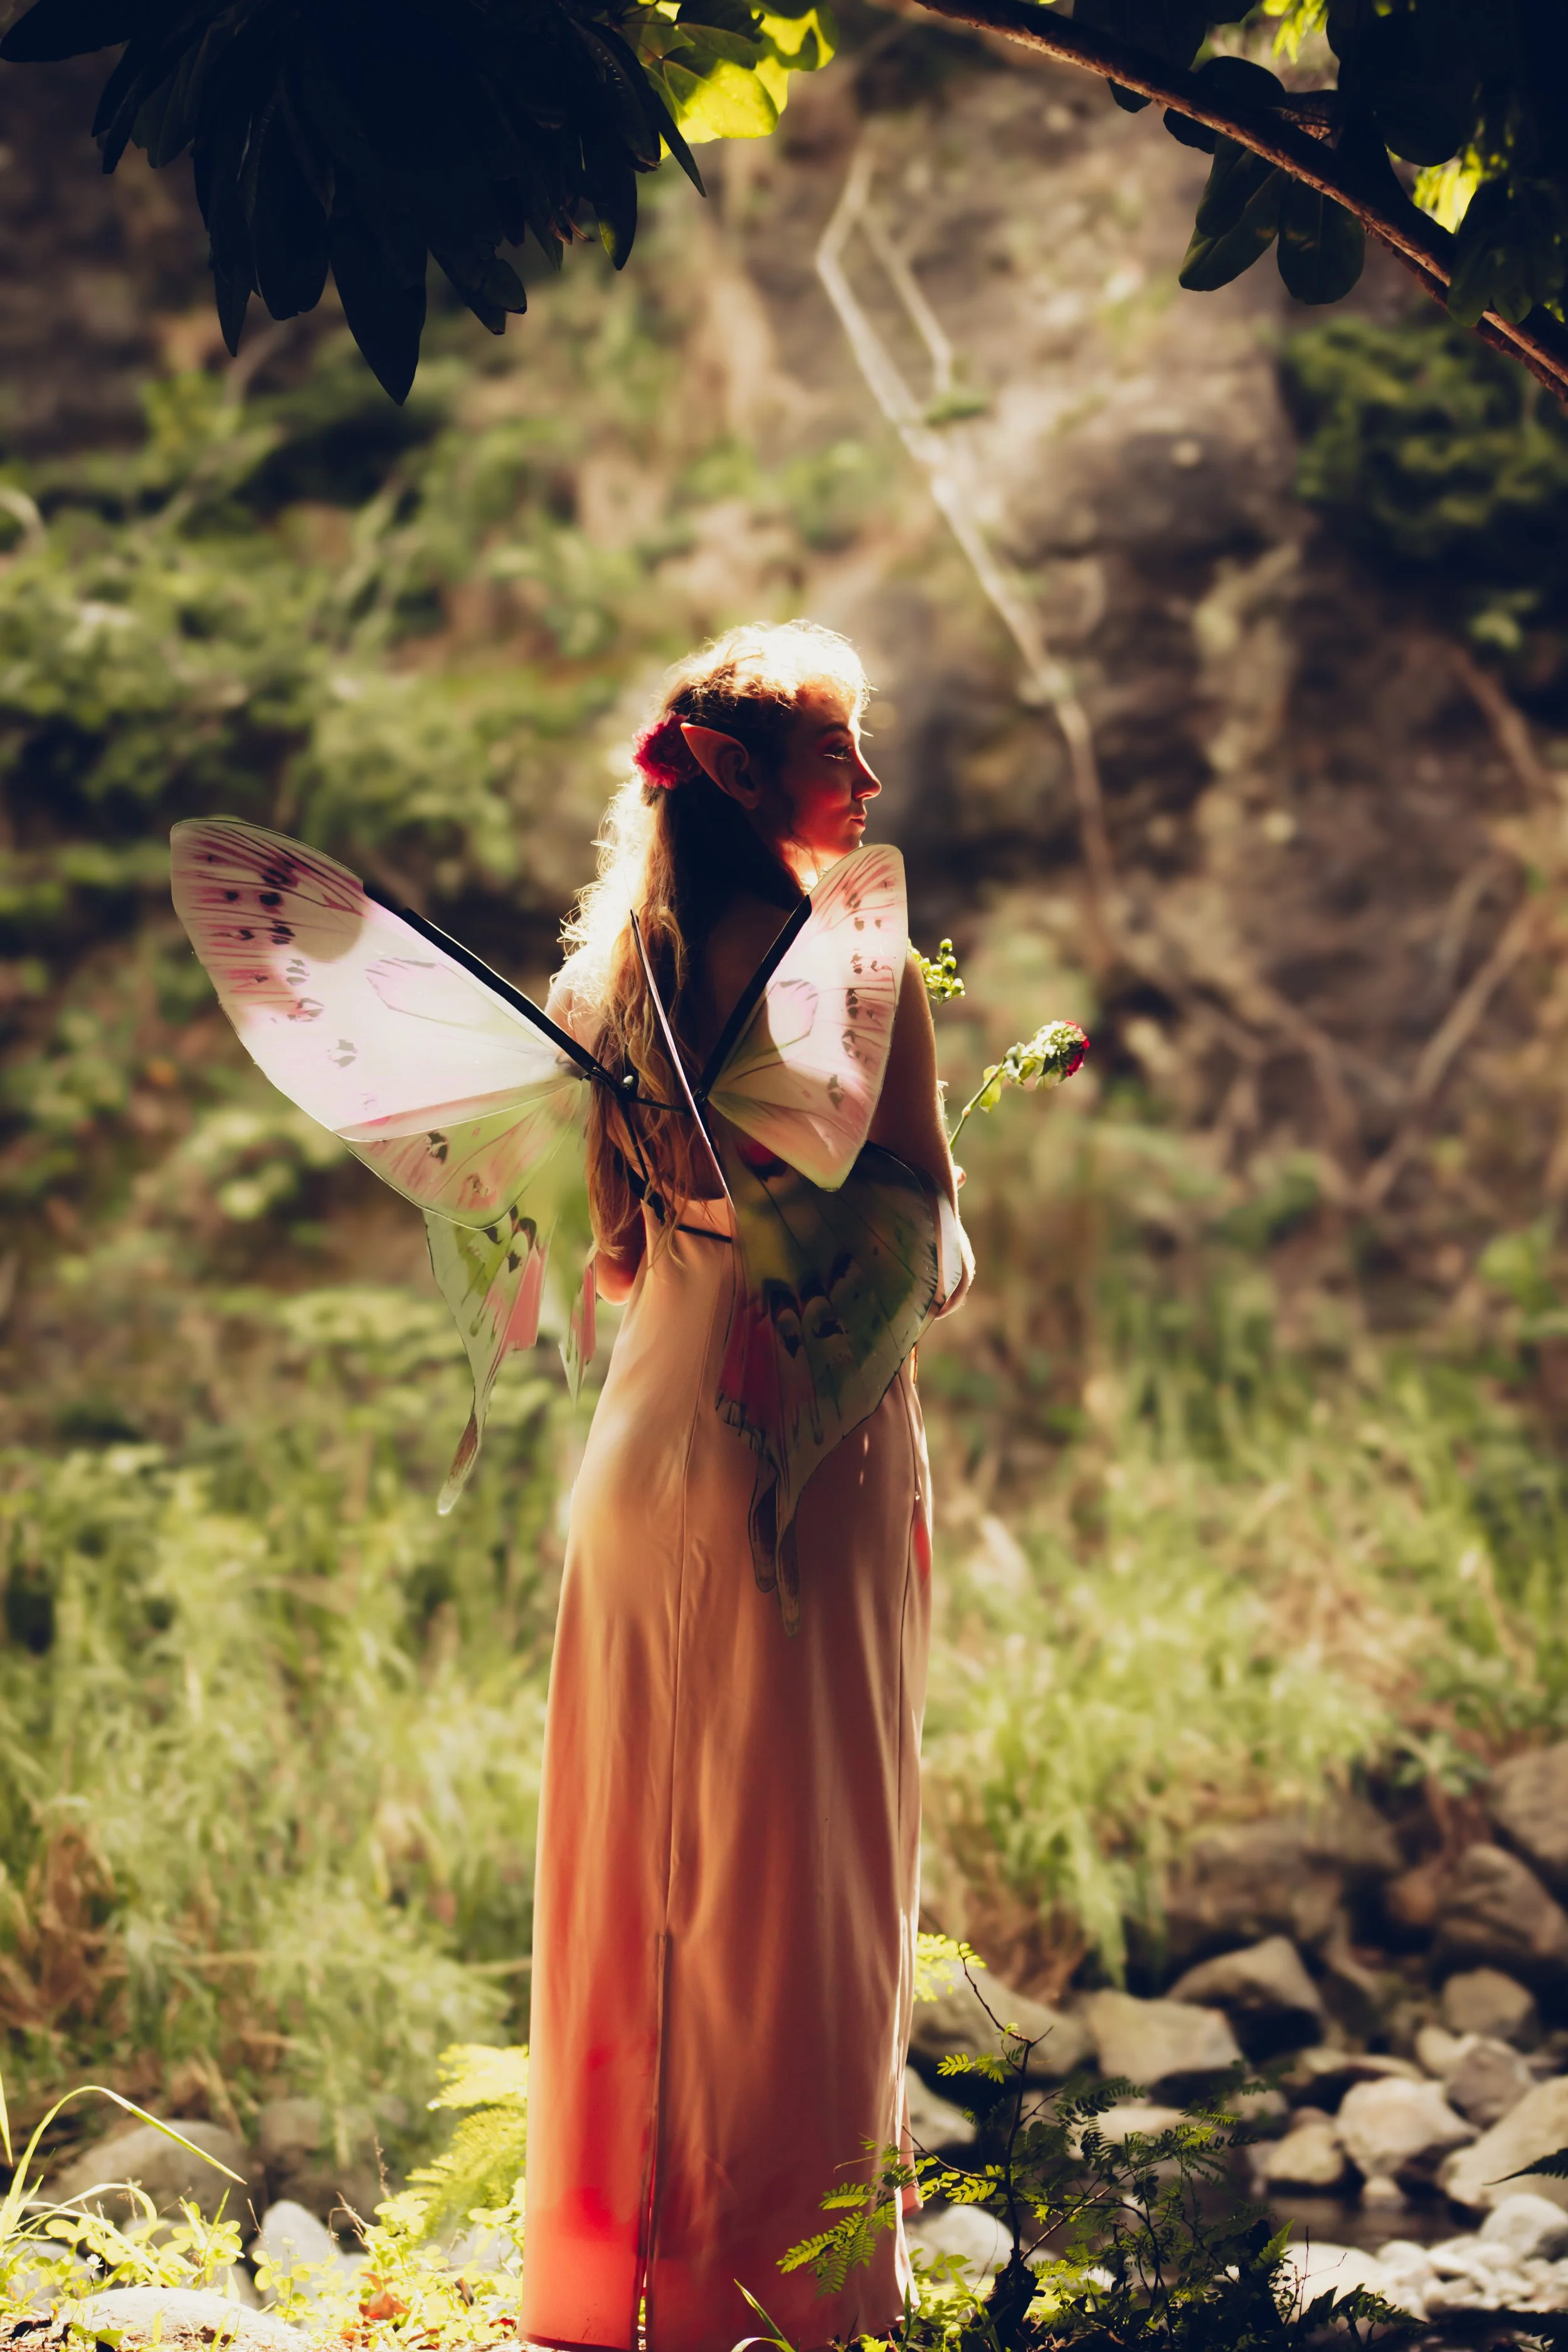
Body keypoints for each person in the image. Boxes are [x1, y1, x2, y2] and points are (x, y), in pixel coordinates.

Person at [521, 621, 970, 2351]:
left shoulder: (604, 991)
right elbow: (921, 1231)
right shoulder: (862, 975)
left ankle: (598, 2273)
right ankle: (779, 2299)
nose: (864, 783)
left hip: (640, 1462)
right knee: (802, 1875)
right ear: (755, 775)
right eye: (837, 751)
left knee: (632, 1854)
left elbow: (620, 1252)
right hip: (800, 1449)